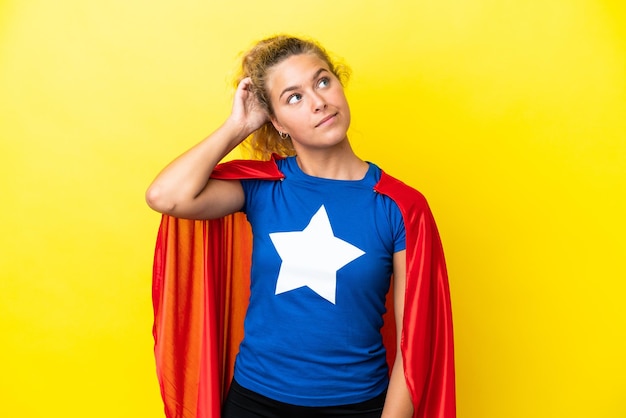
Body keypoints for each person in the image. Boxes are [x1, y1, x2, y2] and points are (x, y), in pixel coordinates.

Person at [146, 35, 455, 418]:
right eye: (294, 97)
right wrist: (238, 126)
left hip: (356, 407)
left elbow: (415, 343)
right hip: (254, 403)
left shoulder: (399, 206)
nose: (318, 101)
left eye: (323, 81)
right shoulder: (263, 188)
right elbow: (166, 197)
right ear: (276, 122)